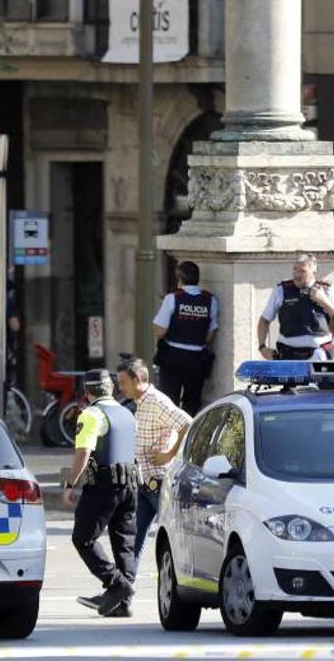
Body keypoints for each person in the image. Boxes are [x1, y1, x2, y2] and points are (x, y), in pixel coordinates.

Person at [64, 369, 138, 618]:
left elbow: (83, 452)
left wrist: (70, 483)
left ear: (86, 393)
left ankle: (118, 585)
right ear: (112, 388)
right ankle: (122, 603)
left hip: (105, 485)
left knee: (83, 538)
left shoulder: (92, 414)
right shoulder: (127, 413)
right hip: (130, 484)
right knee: (124, 542)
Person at [116, 357, 192, 572]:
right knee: (131, 541)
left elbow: (188, 423)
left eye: (123, 382)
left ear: (138, 379)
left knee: (173, 542)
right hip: (143, 484)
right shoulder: (140, 403)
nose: (120, 388)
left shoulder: (157, 402)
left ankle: (178, 592)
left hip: (159, 484)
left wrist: (169, 454)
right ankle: (122, 594)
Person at [152, 261, 218, 415]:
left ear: (179, 278)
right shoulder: (210, 300)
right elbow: (210, 334)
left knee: (168, 402)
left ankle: (172, 435)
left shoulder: (172, 298)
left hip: (172, 357)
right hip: (197, 359)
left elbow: (160, 331)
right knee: (192, 403)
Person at [257, 254, 334, 361]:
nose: (296, 275)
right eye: (295, 269)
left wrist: (324, 301)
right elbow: (264, 320)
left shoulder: (326, 290)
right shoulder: (281, 290)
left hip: (320, 353)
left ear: (313, 271)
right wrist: (262, 347)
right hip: (288, 353)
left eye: (302, 271)